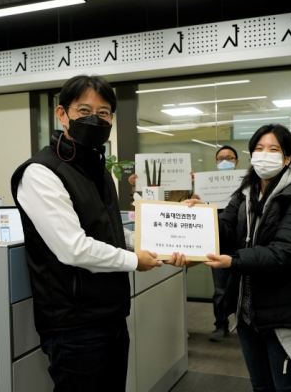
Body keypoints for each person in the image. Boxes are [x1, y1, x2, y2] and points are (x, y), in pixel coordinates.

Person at [10, 74, 187, 391]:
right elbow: (73, 248)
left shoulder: (99, 170)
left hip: (111, 314)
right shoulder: (40, 172)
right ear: (62, 114)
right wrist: (135, 260)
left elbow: (113, 234)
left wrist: (171, 234)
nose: (95, 119)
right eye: (84, 110)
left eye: (104, 113)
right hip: (74, 324)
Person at [187, 124, 291, 392]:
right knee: (260, 385)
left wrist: (234, 261)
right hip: (248, 311)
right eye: (259, 149)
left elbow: (286, 251)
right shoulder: (244, 194)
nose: (264, 154)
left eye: (273, 149)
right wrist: (202, 216)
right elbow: (224, 230)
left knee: (286, 388)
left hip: (283, 311)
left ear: (288, 158)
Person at [208, 145, 239, 342]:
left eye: (230, 158)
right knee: (220, 289)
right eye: (220, 158)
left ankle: (245, 325)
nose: (225, 161)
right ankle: (221, 325)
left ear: (237, 161)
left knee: (245, 287)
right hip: (218, 244)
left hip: (242, 245)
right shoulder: (207, 185)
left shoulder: (246, 184)